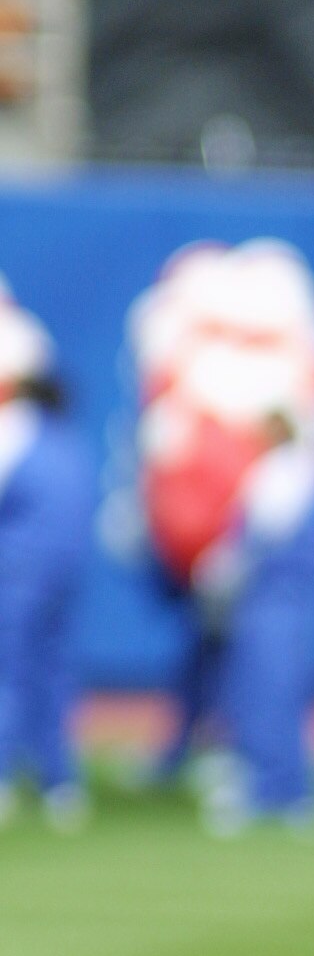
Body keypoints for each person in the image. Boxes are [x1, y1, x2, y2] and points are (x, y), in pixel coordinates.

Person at [122, 240, 314, 833]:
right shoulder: (295, 471)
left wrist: (223, 569)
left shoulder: (280, 473)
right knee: (276, 694)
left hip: (271, 603)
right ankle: (289, 791)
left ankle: (273, 788)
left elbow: (256, 542)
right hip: (280, 603)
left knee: (266, 693)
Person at [0, 288, 94, 831]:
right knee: (52, 675)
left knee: (12, 675)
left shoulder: (14, 429)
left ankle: (8, 776)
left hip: (18, 575)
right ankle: (60, 783)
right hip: (64, 574)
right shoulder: (67, 437)